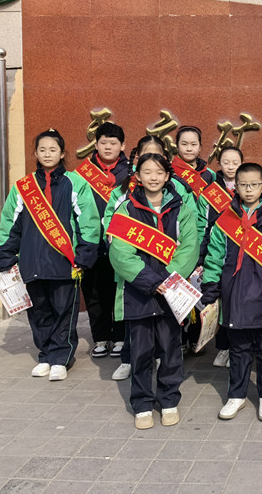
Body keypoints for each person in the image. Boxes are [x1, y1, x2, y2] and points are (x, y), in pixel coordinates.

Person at [0, 129, 100, 381]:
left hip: (64, 263)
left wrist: (84, 254)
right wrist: (5, 254)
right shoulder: (23, 187)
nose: (47, 154)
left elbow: (88, 222)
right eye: (42, 150)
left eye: (53, 149)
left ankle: (61, 359)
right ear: (35, 153)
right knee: (39, 312)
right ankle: (45, 355)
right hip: (31, 261)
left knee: (64, 312)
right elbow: (10, 223)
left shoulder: (76, 184)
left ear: (62, 153)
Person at [201, 162, 262, 421]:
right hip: (234, 297)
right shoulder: (225, 220)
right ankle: (237, 396)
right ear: (235, 186)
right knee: (239, 350)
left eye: (254, 185)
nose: (248, 190)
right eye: (243, 185)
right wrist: (211, 289)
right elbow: (214, 258)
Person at [108, 153, 199, 429]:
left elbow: (189, 248)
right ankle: (142, 405)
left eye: (159, 172)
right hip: (138, 292)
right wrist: (150, 281)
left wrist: (167, 280)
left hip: (171, 292)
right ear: (137, 176)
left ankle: (169, 400)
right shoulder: (126, 208)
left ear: (168, 176)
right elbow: (120, 252)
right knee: (140, 352)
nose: (154, 177)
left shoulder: (181, 208)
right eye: (147, 172)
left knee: (171, 350)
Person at [77, 122, 131, 360]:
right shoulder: (81, 174)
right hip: (92, 244)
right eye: (103, 142)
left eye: (113, 143)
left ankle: (120, 337)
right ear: (95, 145)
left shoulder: (132, 173)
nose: (108, 147)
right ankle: (100, 337)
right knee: (95, 292)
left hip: (121, 244)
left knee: (120, 291)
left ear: (123, 146)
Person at [171, 126, 216, 355]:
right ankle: (178, 339)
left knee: (199, 288)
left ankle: (196, 338)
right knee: (178, 291)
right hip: (179, 239)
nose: (189, 148)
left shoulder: (210, 176)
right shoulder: (169, 172)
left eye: (193, 144)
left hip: (204, 239)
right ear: (176, 146)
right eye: (184, 144)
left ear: (200, 146)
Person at [205, 146, 244, 369]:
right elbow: (202, 225)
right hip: (218, 251)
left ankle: (237, 347)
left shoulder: (247, 188)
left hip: (242, 252)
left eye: (235, 163)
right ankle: (223, 347)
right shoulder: (210, 192)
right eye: (226, 162)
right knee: (221, 300)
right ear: (219, 164)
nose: (230, 167)